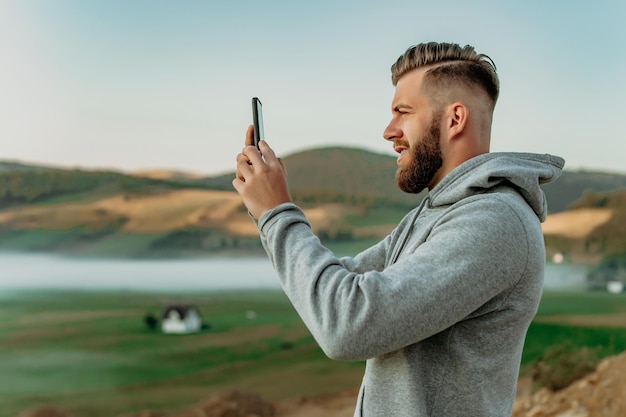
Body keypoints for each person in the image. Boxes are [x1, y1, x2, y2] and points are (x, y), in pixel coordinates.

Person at [232, 41, 564, 417]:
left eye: (402, 112)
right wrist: (267, 211)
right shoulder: (437, 213)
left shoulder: (494, 222)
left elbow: (346, 325)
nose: (388, 131)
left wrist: (278, 213)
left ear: (455, 119)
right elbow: (341, 284)